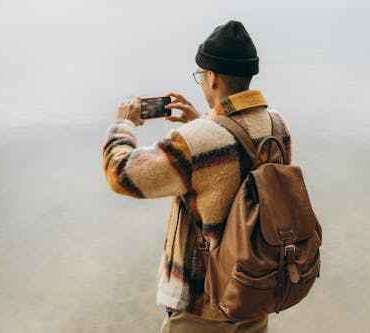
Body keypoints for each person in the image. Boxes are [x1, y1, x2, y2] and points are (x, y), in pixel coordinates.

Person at [102, 20, 291, 333]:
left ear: (212, 77)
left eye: (200, 75)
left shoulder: (195, 140)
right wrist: (206, 119)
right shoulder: (278, 125)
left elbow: (120, 174)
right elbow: (236, 160)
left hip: (204, 302)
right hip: (256, 290)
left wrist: (124, 125)